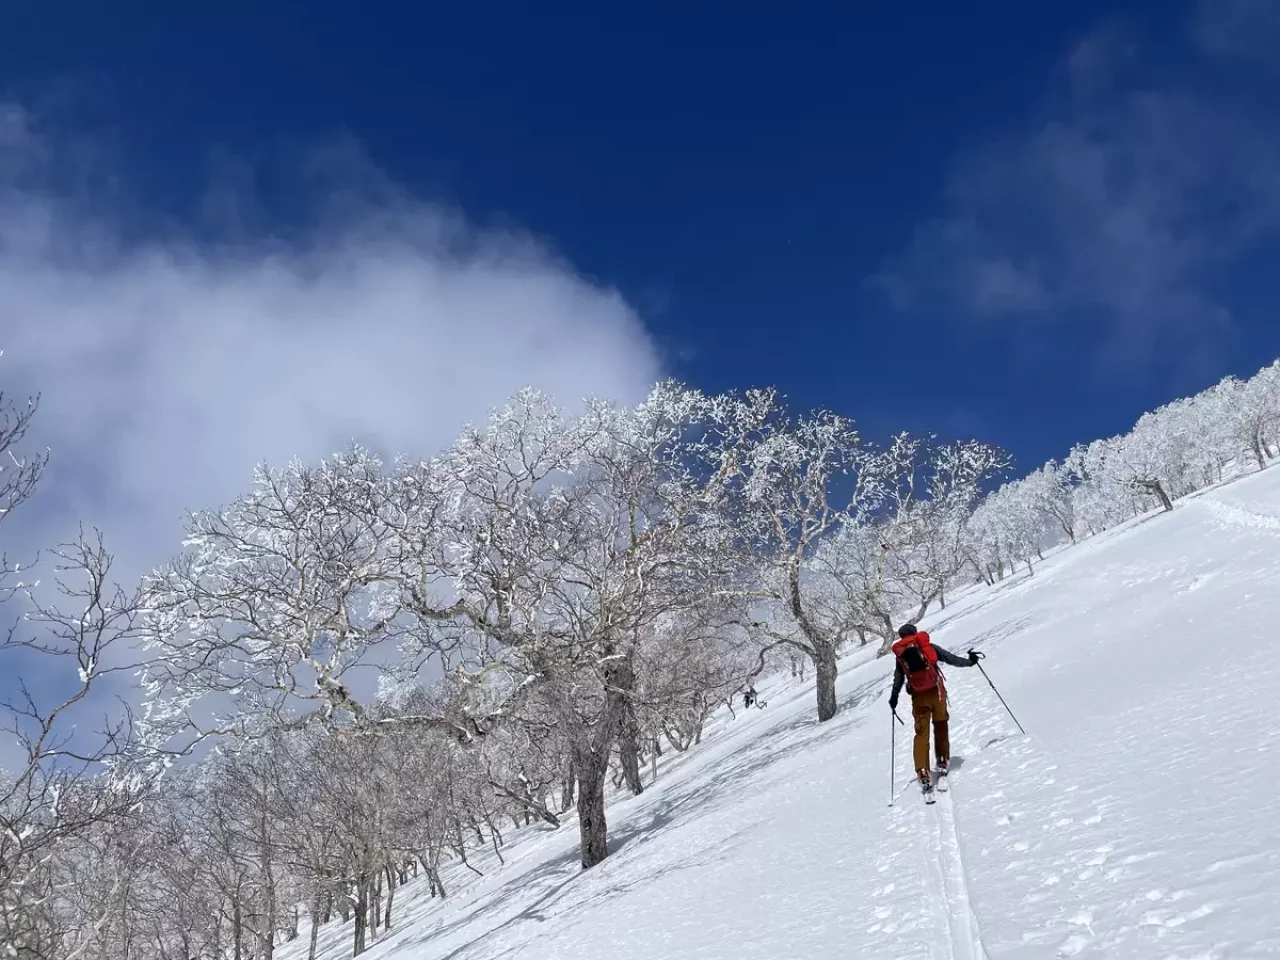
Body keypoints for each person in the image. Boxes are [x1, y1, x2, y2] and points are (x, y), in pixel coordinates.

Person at [887, 623, 979, 794]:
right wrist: (970, 662)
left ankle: (922, 770)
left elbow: (898, 679)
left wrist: (893, 698)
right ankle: (942, 759)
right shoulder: (927, 646)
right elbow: (951, 658)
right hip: (937, 692)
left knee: (921, 733)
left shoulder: (901, 656)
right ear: (914, 633)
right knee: (941, 723)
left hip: (918, 697)